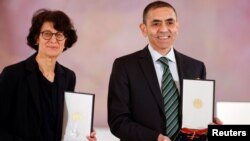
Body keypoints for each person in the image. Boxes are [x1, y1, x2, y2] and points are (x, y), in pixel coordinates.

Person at [107, 1, 222, 141]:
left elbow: (196, 115)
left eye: (170, 23)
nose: (163, 29)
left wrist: (208, 128)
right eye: (156, 24)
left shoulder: (196, 67)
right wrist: (156, 138)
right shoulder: (124, 66)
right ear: (143, 29)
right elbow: (118, 122)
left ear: (177, 27)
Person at [0, 9, 96, 141]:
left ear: (65, 42)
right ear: (36, 38)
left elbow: (65, 125)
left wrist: (82, 135)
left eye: (59, 35)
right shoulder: (12, 75)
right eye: (47, 34)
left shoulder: (68, 77)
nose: (53, 40)